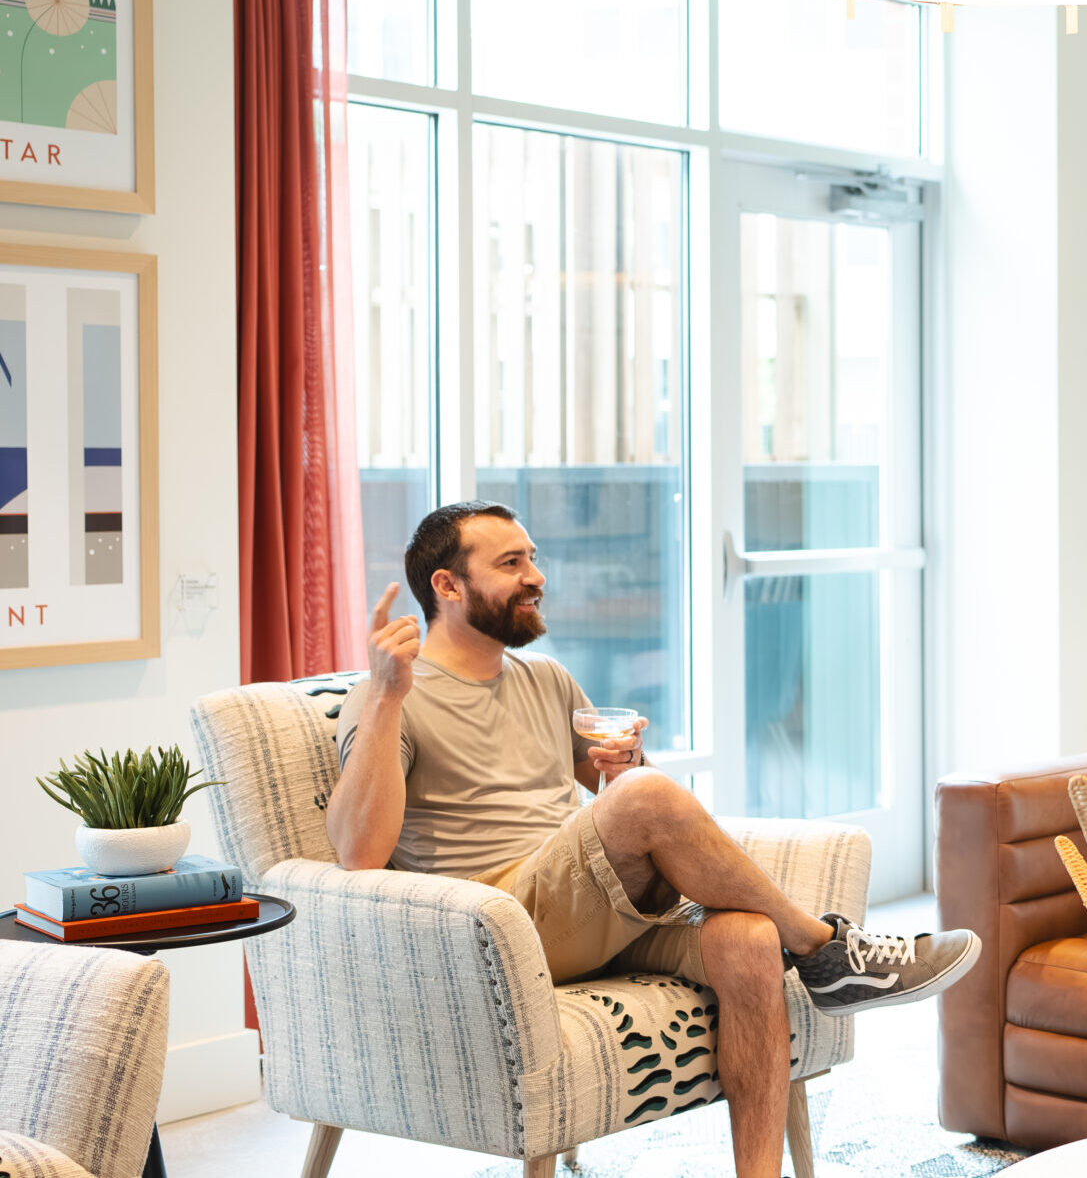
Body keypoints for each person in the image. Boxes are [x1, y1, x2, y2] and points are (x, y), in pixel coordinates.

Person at [330, 501, 979, 1178]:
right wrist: (383, 699)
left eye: (533, 558)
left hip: (588, 910)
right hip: (501, 922)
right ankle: (824, 946)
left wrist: (627, 767)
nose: (536, 577)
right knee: (647, 803)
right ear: (447, 585)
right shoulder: (388, 695)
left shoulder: (545, 678)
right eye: (511, 563)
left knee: (749, 939)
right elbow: (358, 853)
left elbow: (635, 802)